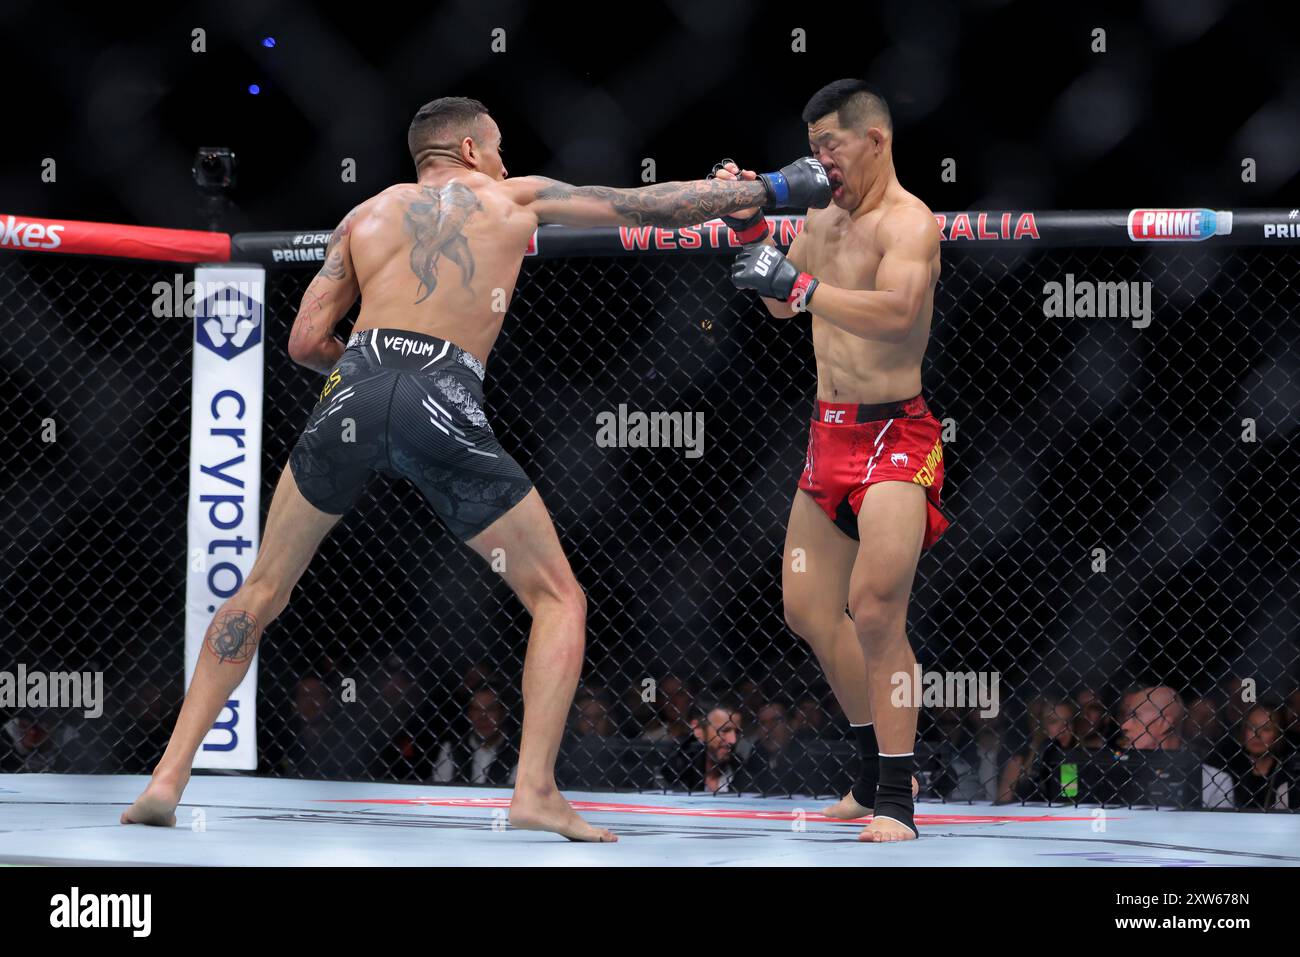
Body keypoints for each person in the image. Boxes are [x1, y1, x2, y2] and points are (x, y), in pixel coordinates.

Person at [122, 95, 831, 842]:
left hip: (353, 387)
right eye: (495, 149)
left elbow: (304, 340)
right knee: (559, 596)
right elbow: (647, 206)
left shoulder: (363, 215)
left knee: (262, 587)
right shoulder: (510, 194)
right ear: (467, 150)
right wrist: (780, 187)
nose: (501, 160)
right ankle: (533, 790)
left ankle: (166, 778)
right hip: (442, 392)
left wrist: (371, 377)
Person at [722, 80, 947, 841]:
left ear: (874, 140)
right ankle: (864, 774)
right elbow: (782, 301)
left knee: (878, 609)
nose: (820, 161)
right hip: (828, 433)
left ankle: (898, 799)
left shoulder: (909, 222)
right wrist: (753, 230)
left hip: (896, 435)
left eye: (831, 146)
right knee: (809, 608)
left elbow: (897, 312)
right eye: (813, 146)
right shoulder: (820, 215)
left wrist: (803, 283)